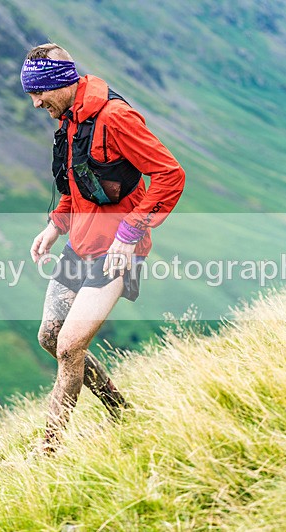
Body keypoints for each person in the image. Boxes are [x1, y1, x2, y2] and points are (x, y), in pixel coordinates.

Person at [23, 43, 185, 453]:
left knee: (70, 346)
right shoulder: (71, 119)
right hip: (80, 244)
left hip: (116, 252)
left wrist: (130, 235)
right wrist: (55, 227)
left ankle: (49, 451)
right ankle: (121, 410)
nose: (36, 102)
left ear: (61, 83)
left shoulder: (115, 118)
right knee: (49, 336)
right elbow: (78, 182)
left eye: (39, 91)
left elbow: (169, 174)